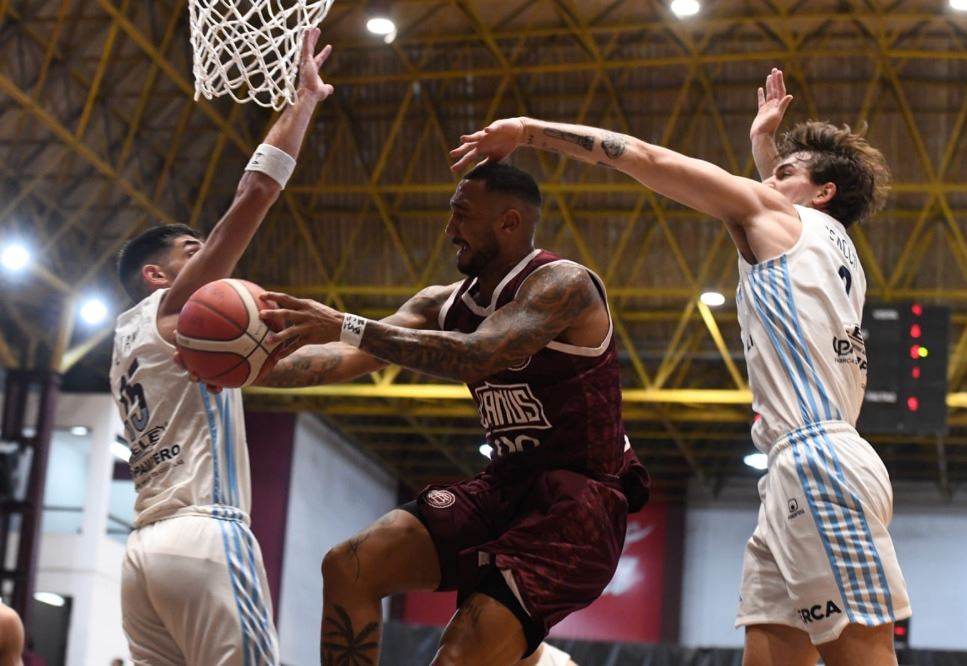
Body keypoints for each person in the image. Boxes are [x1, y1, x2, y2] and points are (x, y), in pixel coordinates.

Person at [449, 69, 910, 666]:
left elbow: (644, 156)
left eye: (783, 173)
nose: (768, 179)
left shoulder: (779, 215)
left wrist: (529, 130)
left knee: (864, 656)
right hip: (800, 470)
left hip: (818, 464)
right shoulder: (837, 250)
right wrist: (765, 147)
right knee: (771, 653)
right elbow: (776, 197)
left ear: (822, 192)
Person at [253, 162, 648, 665]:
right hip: (504, 485)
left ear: (509, 222)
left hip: (578, 506)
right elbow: (346, 356)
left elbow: (477, 354)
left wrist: (345, 323)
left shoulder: (564, 285)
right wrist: (246, 370)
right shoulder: (441, 303)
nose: (449, 229)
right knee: (350, 566)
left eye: (462, 215)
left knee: (458, 655)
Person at [109, 29, 333, 666]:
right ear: (157, 275)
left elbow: (317, 364)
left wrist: (378, 334)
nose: (206, 254)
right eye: (192, 250)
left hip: (143, 554)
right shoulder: (174, 310)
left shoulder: (133, 344)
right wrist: (302, 102)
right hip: (204, 531)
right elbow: (255, 193)